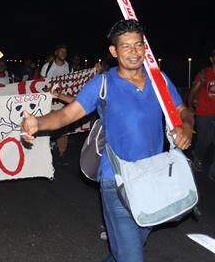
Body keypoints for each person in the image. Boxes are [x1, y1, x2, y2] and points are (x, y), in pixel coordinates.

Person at [21, 20, 193, 261]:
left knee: (124, 251)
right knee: (131, 257)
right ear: (114, 51)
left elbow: (183, 111)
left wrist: (185, 126)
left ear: (145, 48)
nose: (133, 52)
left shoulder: (159, 81)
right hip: (117, 180)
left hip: (153, 179)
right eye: (125, 46)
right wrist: (38, 123)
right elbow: (66, 115)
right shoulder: (102, 84)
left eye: (138, 45)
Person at [40, 43, 72, 159]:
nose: (63, 54)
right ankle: (46, 148)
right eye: (61, 51)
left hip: (62, 102)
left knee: (63, 127)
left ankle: (62, 152)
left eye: (65, 52)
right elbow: (40, 84)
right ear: (56, 53)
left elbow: (70, 83)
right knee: (49, 124)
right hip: (50, 103)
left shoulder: (68, 66)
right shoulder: (47, 67)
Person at [188, 48, 215, 180]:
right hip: (204, 113)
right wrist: (190, 106)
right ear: (211, 59)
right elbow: (193, 91)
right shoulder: (204, 73)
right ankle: (197, 157)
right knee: (204, 141)